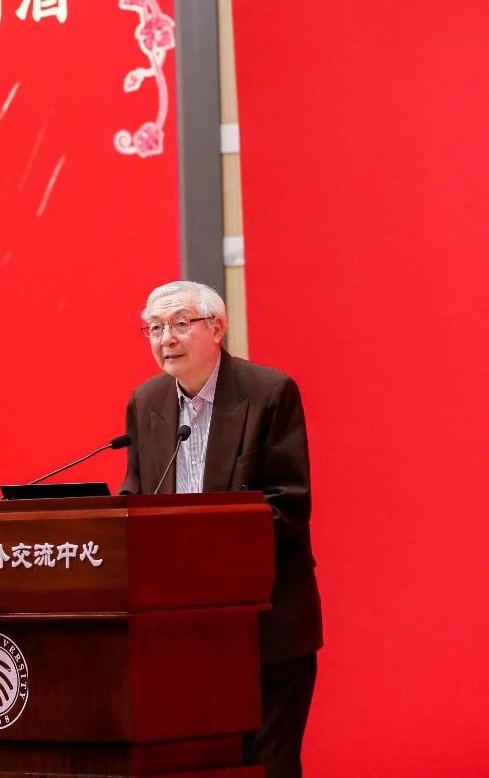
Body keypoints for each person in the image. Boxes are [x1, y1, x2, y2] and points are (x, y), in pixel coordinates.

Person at [120, 281, 322, 778]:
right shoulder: (146, 402)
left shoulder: (268, 393)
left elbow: (287, 505)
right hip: (181, 630)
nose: (166, 338)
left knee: (269, 765)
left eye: (179, 324)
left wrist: (197, 551)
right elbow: (134, 499)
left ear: (217, 328)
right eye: (154, 328)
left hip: (265, 620)